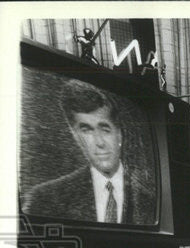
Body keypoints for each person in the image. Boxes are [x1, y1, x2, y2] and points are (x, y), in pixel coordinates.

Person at [24, 80, 155, 224]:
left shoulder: (149, 202)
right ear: (75, 135)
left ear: (120, 133)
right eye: (86, 130)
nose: (99, 142)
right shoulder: (44, 200)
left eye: (105, 129)